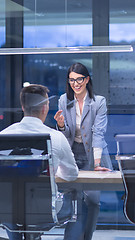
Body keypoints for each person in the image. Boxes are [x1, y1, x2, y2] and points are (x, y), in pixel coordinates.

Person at [0, 84, 79, 240]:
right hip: (45, 208)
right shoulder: (55, 137)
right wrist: (52, 170)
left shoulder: (3, 136)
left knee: (12, 207)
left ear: (23, 107)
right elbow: (71, 175)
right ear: (45, 108)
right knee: (82, 200)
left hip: (8, 209)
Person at [54, 62, 112, 240]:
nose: (75, 84)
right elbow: (66, 135)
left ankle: (87, 237)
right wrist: (61, 125)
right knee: (73, 200)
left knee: (93, 201)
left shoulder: (98, 102)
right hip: (72, 154)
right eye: (71, 80)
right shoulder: (64, 100)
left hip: (93, 153)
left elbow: (98, 133)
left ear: (87, 79)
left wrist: (96, 164)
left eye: (79, 79)